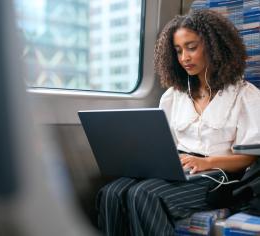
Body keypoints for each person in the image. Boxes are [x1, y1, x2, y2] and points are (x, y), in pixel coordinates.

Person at [96, 9, 260, 236]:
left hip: (221, 177)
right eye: (178, 50)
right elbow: (164, 145)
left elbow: (247, 159)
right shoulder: (174, 96)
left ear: (214, 47)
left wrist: (206, 162)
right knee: (112, 191)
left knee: (144, 194)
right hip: (180, 168)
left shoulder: (245, 95)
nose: (184, 58)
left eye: (192, 47)